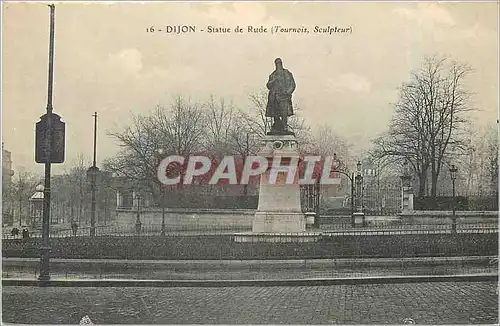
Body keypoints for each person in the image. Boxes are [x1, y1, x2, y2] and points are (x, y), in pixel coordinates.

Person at [265, 58, 296, 134]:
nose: (278, 65)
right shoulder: (273, 75)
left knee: (284, 112)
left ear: (281, 63)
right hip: (274, 96)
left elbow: (293, 84)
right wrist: (273, 80)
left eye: (279, 63)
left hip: (284, 96)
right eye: (276, 63)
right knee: (275, 112)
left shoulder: (287, 73)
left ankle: (284, 127)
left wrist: (288, 92)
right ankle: (277, 126)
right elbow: (268, 85)